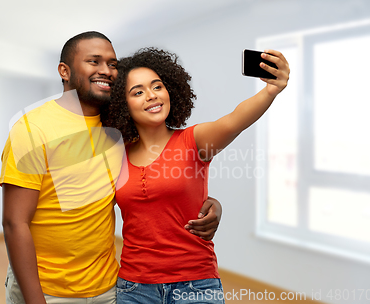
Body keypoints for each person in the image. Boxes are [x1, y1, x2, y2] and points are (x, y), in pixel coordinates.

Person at [0, 32, 222, 304]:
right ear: (64, 70)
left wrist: (209, 203)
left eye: (113, 64)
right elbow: (14, 223)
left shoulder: (120, 131)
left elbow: (158, 181)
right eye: (94, 61)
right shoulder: (32, 128)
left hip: (108, 287)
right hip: (46, 290)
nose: (106, 70)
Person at [101, 47, 290, 303]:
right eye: (138, 92)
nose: (151, 96)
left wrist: (271, 90)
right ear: (123, 105)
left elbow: (234, 120)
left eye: (157, 87)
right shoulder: (116, 156)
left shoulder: (194, 140)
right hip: (135, 288)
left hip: (195, 284)